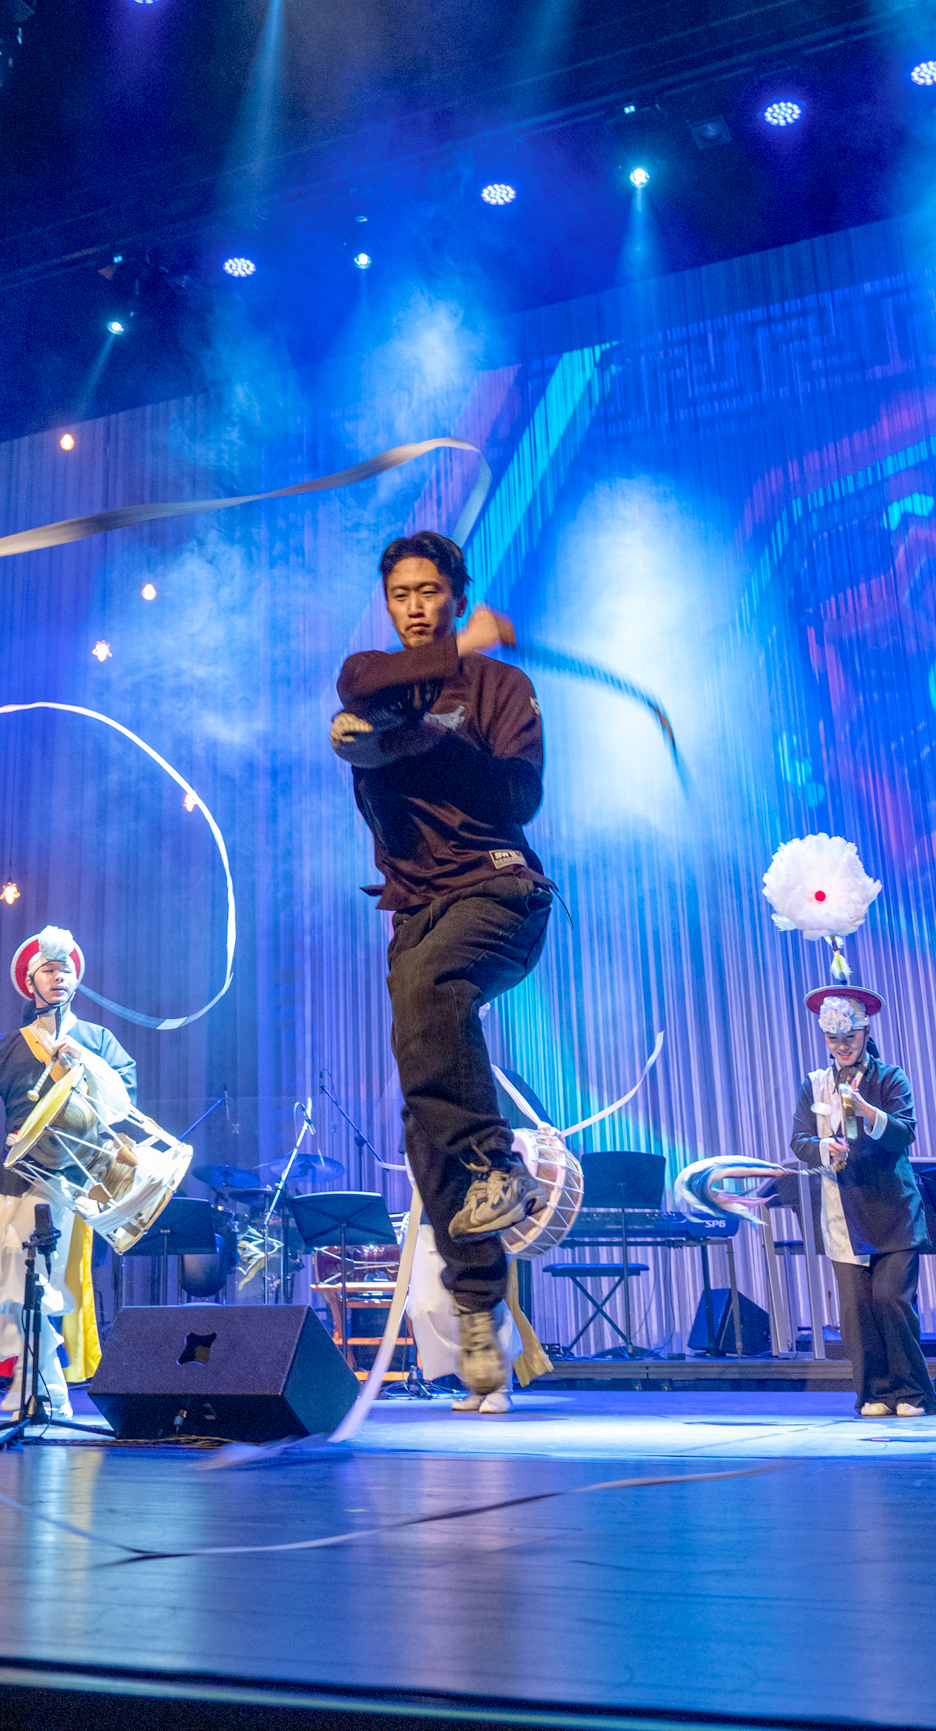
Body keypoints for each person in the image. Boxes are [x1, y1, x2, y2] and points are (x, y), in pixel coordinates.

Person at [331, 529, 554, 1403]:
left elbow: (520, 797)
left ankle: (499, 1165)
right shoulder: (372, 679)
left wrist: (429, 741)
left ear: (457, 595)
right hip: (417, 915)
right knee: (424, 1118)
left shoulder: (501, 689)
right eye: (401, 594)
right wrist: (407, 711)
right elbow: (361, 691)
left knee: (432, 994)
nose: (416, 607)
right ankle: (477, 1307)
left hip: (500, 893)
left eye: (431, 591)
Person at [0, 926, 136, 1419]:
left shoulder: (97, 1040)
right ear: (30, 981)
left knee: (47, 1283)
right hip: (17, 1176)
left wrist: (84, 1061)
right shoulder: (6, 1047)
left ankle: (48, 1390)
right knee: (15, 1286)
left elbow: (123, 1105)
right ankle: (32, 1380)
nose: (59, 977)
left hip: (74, 1177)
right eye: (49, 970)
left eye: (66, 970)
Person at [789, 986, 936, 1419]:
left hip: (893, 1210)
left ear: (865, 1033)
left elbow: (905, 1132)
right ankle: (873, 1392)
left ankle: (914, 1392)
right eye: (833, 1039)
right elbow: (799, 1140)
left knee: (891, 1300)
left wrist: (868, 1112)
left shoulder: (890, 1078)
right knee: (856, 1309)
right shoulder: (815, 1084)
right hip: (843, 1209)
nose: (842, 1046)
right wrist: (824, 1147)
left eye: (849, 1037)